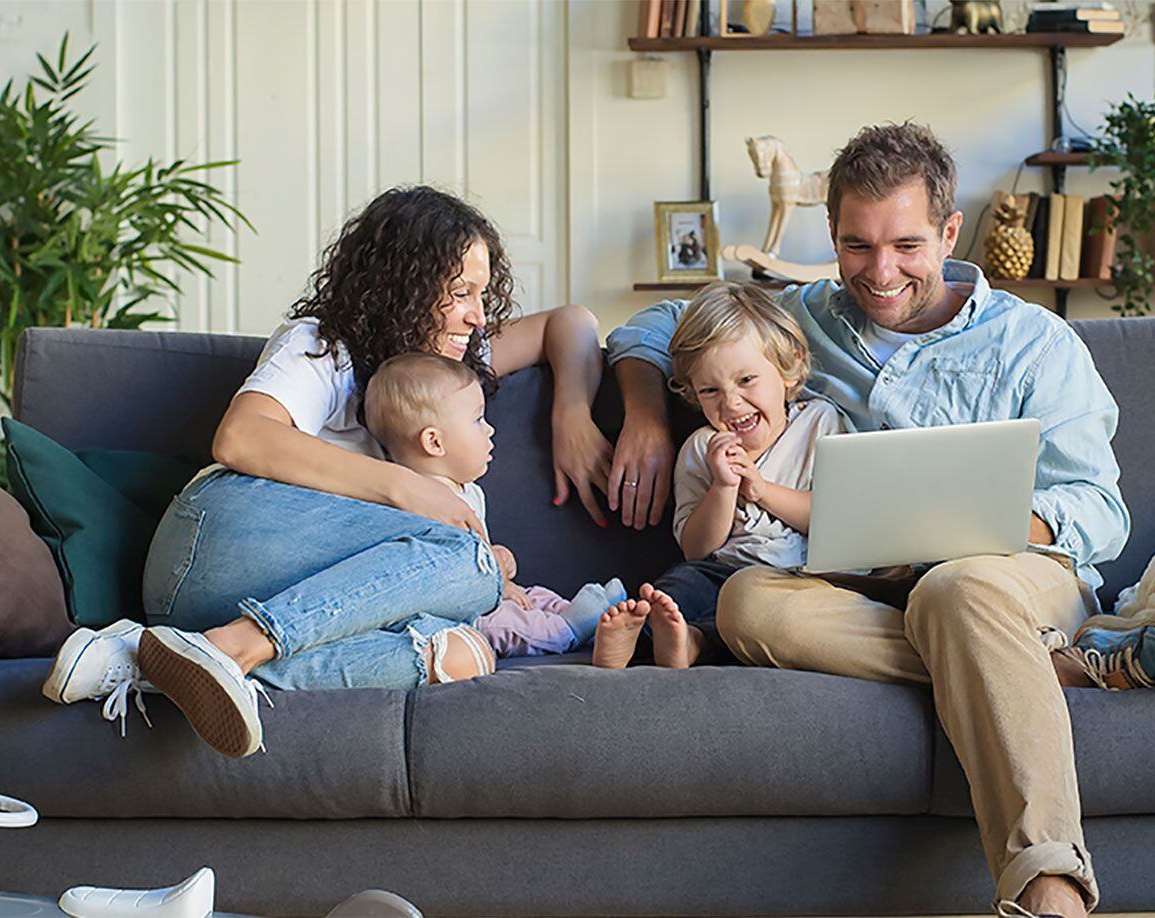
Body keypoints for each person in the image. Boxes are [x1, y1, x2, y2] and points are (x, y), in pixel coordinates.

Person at [602, 123, 1155, 916]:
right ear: (831, 236)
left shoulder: (1034, 342)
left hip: (1007, 577)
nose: (880, 271)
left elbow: (1100, 512)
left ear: (949, 233)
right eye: (856, 246)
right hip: (861, 584)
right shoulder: (801, 320)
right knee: (747, 602)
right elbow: (653, 329)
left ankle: (1049, 888)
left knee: (956, 591)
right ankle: (1046, 665)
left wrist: (983, 526)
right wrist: (647, 417)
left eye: (905, 244)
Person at [123, 185, 612, 759]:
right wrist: (407, 492)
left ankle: (152, 663)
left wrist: (573, 415)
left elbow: (571, 324)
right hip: (215, 544)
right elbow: (240, 438)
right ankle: (239, 647)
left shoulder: (441, 368)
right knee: (469, 561)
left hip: (234, 604)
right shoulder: (323, 347)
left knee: (464, 650)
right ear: (403, 288)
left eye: (481, 294)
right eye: (460, 293)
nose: (477, 317)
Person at [589, 281, 845, 670]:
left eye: (746, 380)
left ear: (789, 369)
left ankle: (693, 643)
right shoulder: (700, 448)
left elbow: (833, 519)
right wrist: (723, 488)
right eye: (710, 390)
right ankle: (636, 641)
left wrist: (761, 490)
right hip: (721, 569)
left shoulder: (820, 424)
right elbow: (697, 547)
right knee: (678, 588)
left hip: (799, 576)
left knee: (766, 616)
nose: (731, 402)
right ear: (692, 392)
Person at [363, 351, 627, 659]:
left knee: (534, 595)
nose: (490, 429)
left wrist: (498, 561)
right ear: (434, 442)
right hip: (460, 615)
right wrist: (496, 580)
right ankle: (566, 630)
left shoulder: (469, 491)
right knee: (507, 624)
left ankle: (581, 612)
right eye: (478, 420)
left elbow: (477, 553)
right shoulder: (419, 505)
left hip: (490, 592)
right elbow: (445, 579)